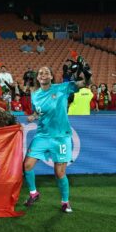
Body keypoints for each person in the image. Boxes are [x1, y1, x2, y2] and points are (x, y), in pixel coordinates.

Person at [23, 65, 92, 213]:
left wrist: (87, 75)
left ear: (51, 76)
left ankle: (65, 202)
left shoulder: (63, 88)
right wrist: (33, 116)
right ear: (37, 77)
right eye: (40, 72)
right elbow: (37, 112)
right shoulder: (34, 94)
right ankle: (33, 193)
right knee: (27, 165)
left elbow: (84, 83)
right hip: (42, 135)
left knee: (59, 173)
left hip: (61, 137)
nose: (43, 74)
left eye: (46, 72)